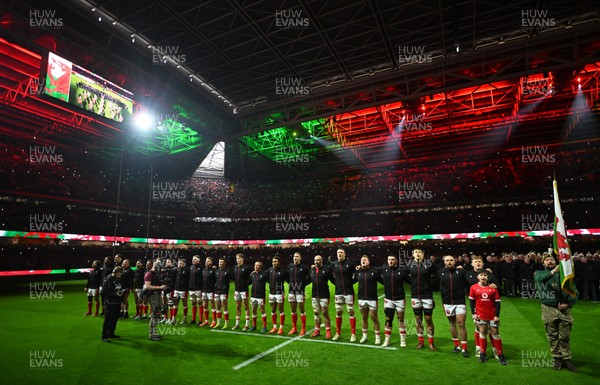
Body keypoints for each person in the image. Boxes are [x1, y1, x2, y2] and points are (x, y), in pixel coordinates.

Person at [534, 254, 578, 371]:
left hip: (564, 309)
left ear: (555, 261)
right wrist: (553, 271)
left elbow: (575, 292)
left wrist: (568, 304)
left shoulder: (564, 275)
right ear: (543, 263)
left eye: (551, 259)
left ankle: (566, 358)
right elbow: (539, 279)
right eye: (547, 260)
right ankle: (557, 358)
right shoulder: (539, 273)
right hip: (548, 309)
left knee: (565, 336)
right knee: (552, 335)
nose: (549, 261)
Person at [469, 269, 507, 365]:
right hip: (480, 315)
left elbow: (498, 303)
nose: (483, 277)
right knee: (482, 332)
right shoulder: (473, 288)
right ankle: (483, 353)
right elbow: (471, 302)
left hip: (492, 315)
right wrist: (473, 313)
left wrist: (497, 315)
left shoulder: (493, 288)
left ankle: (500, 354)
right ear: (477, 277)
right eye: (481, 275)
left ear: (488, 277)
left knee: (495, 333)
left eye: (485, 275)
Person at [465, 254, 500, 357]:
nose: (478, 263)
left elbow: (499, 289)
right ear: (472, 264)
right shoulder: (467, 274)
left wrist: (495, 286)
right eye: (475, 262)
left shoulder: (489, 274)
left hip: (489, 307)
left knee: (492, 330)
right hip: (477, 306)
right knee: (478, 328)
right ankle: (478, 348)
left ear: (483, 263)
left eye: (479, 261)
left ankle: (495, 349)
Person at [438, 255, 469, 357]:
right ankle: (456, 346)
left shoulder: (461, 272)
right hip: (447, 302)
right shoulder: (440, 273)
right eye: (447, 260)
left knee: (461, 323)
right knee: (452, 323)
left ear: (454, 261)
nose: (449, 262)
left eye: (451, 260)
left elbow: (467, 282)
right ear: (444, 262)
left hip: (460, 301)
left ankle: (464, 348)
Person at [407, 248, 437, 350]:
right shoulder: (409, 264)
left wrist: (430, 284)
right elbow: (403, 274)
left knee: (428, 319)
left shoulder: (429, 263)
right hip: (415, 295)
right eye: (416, 252)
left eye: (420, 252)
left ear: (423, 254)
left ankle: (431, 342)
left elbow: (438, 273)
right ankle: (420, 342)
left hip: (427, 295)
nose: (418, 254)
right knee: (418, 319)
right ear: (413, 254)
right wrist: (412, 284)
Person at [378, 254, 408, 347]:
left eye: (392, 259)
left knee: (401, 320)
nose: (390, 261)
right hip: (388, 299)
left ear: (396, 261)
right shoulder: (384, 269)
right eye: (389, 259)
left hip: (400, 300)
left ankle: (402, 339)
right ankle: (387, 340)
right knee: (388, 319)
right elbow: (372, 269)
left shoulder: (402, 271)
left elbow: (411, 280)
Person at [354, 255, 383, 344]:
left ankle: (377, 337)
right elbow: (351, 280)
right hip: (361, 298)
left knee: (374, 317)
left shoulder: (374, 271)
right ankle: (364, 336)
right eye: (362, 260)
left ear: (369, 262)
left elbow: (383, 281)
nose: (363, 261)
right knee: (364, 317)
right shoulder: (358, 272)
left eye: (365, 260)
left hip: (372, 298)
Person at [331, 248, 358, 342]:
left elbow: (357, 272)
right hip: (338, 292)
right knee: (338, 312)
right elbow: (327, 273)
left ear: (345, 254)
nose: (339, 254)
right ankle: (338, 333)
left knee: (351, 311)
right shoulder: (333, 264)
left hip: (349, 291)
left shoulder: (350, 264)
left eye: (341, 252)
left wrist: (351, 282)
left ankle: (353, 334)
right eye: (338, 252)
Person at [309, 255, 334, 338]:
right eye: (315, 260)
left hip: (324, 295)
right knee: (316, 313)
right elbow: (308, 280)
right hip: (314, 295)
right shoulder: (312, 270)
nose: (316, 262)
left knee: (325, 313)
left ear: (321, 261)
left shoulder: (326, 269)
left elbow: (333, 280)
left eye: (318, 260)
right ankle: (317, 330)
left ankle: (328, 331)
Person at [287, 252, 311, 336]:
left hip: (300, 291)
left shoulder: (304, 268)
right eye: (294, 256)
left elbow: (310, 277)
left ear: (300, 258)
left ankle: (303, 328)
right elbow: (287, 276)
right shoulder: (290, 266)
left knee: (301, 310)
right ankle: (294, 328)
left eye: (297, 256)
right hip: (291, 291)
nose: (295, 258)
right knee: (293, 310)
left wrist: (303, 284)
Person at [145, 260, 167, 341]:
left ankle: (154, 332)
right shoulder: (149, 274)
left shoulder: (156, 274)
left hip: (156, 295)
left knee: (157, 314)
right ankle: (152, 334)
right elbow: (147, 286)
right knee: (155, 314)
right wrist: (159, 287)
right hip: (152, 295)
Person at [101, 266, 124, 342]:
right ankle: (104, 336)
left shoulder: (119, 279)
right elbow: (104, 292)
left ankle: (111, 333)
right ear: (117, 273)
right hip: (110, 303)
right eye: (120, 274)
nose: (121, 275)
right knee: (108, 319)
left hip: (117, 302)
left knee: (115, 319)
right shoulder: (108, 280)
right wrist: (115, 294)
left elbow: (119, 288)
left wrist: (122, 292)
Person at [267, 256, 288, 334]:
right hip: (271, 293)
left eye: (275, 261)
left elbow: (288, 280)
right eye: (273, 261)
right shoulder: (270, 270)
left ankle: (281, 328)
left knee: (280, 310)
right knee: (273, 310)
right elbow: (266, 279)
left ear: (279, 262)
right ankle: (274, 327)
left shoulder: (283, 271)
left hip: (279, 293)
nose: (273, 263)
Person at [232, 253, 252, 331]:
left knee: (246, 307)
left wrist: (246, 284)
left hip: (244, 290)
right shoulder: (235, 268)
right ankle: (237, 324)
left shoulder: (247, 268)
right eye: (237, 258)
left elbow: (250, 278)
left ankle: (247, 325)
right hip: (237, 290)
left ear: (243, 259)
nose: (238, 260)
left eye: (239, 258)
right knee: (238, 307)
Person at [248, 260, 269, 332]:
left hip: (261, 295)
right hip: (253, 295)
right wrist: (250, 275)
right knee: (253, 310)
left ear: (261, 267)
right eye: (255, 265)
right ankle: (254, 325)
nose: (255, 267)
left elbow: (270, 281)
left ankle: (264, 326)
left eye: (257, 265)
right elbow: (247, 283)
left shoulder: (264, 274)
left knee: (262, 310)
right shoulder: (253, 274)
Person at [214, 257, 232, 329]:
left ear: (225, 263)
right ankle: (218, 322)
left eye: (221, 262)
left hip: (224, 291)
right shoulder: (217, 271)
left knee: (224, 306)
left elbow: (232, 279)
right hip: (216, 291)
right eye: (219, 262)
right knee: (218, 306)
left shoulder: (228, 271)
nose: (220, 263)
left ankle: (226, 323)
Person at [199, 257, 217, 327]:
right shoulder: (203, 270)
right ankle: (206, 320)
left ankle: (214, 321)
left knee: (212, 305)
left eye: (208, 261)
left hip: (211, 290)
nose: (206, 262)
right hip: (204, 290)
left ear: (211, 263)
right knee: (205, 305)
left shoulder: (214, 270)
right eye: (206, 261)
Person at [172, 259, 190, 324]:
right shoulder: (176, 270)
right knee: (175, 304)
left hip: (184, 290)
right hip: (176, 289)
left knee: (184, 304)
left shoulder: (187, 270)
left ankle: (184, 318)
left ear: (184, 264)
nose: (179, 264)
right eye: (179, 263)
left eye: (181, 263)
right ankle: (173, 318)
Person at [189, 255, 204, 325]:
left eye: (195, 259)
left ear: (198, 260)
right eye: (193, 259)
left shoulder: (201, 268)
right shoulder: (191, 267)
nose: (193, 260)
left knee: (200, 303)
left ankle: (200, 320)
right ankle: (193, 319)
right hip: (191, 288)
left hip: (198, 288)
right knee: (193, 303)